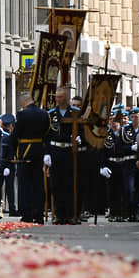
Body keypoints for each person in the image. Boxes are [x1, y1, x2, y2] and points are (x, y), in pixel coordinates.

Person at [11, 92, 51, 224]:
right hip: (39, 151)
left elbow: (16, 134)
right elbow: (47, 133)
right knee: (38, 184)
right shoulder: (44, 114)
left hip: (25, 151)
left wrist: (12, 150)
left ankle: (27, 214)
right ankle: (39, 214)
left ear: (23, 102)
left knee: (25, 184)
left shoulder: (22, 115)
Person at [47, 87, 79, 224]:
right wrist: (46, 153)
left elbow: (82, 129)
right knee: (56, 184)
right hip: (55, 150)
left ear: (66, 98)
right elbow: (46, 134)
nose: (57, 99)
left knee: (69, 183)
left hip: (69, 151)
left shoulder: (75, 113)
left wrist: (79, 138)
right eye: (56, 97)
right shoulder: (51, 114)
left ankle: (70, 214)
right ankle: (59, 214)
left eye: (60, 97)